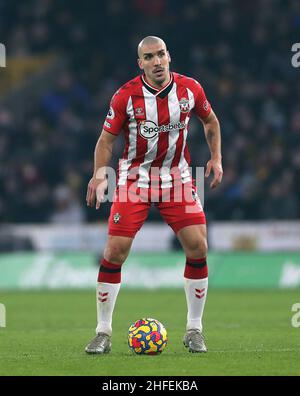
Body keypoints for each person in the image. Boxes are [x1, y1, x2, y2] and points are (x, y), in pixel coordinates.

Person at [85, 36, 223, 354]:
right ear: (141, 64)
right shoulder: (125, 96)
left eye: (161, 54)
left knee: (198, 246)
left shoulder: (191, 89)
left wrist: (215, 158)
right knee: (115, 251)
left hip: (178, 178)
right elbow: (105, 141)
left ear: (169, 57)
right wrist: (98, 174)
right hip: (135, 180)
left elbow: (211, 122)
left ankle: (194, 329)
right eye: (149, 57)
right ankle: (103, 332)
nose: (157, 61)